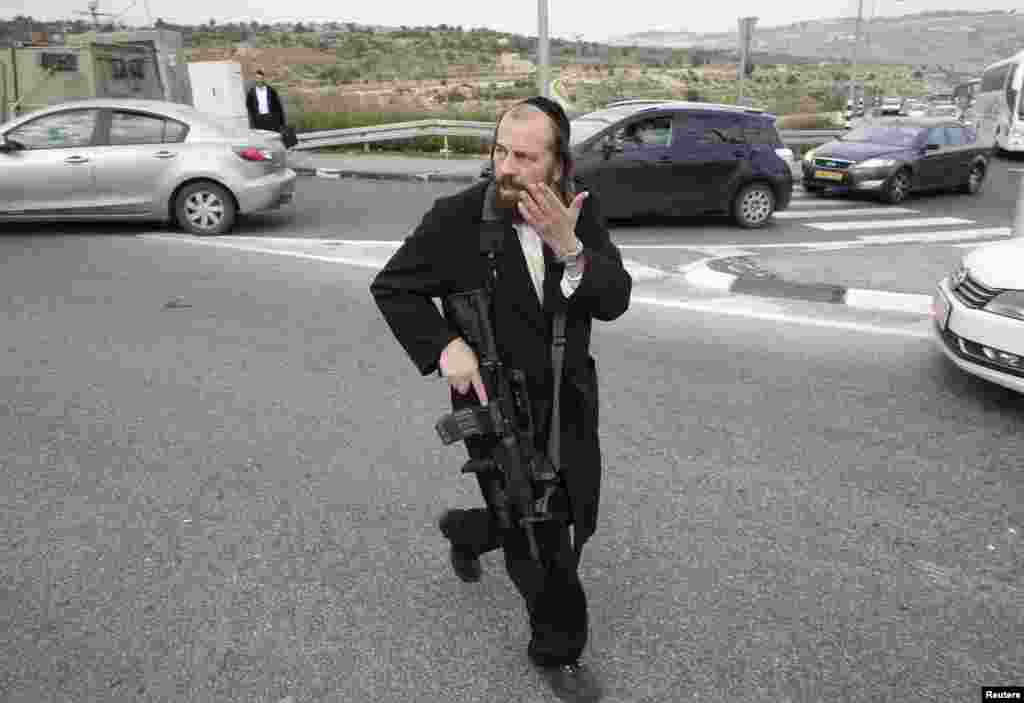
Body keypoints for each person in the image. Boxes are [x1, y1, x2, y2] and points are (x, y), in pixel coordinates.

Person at [370, 97, 631, 703]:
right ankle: (558, 649)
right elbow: (393, 287)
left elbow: (614, 300)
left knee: (573, 509)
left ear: (560, 164)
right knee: (537, 533)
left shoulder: (580, 210)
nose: (507, 167)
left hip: (567, 397)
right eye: (500, 152)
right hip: (497, 407)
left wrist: (571, 249)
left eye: (526, 157)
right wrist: (444, 345)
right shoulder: (456, 218)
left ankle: (466, 531)